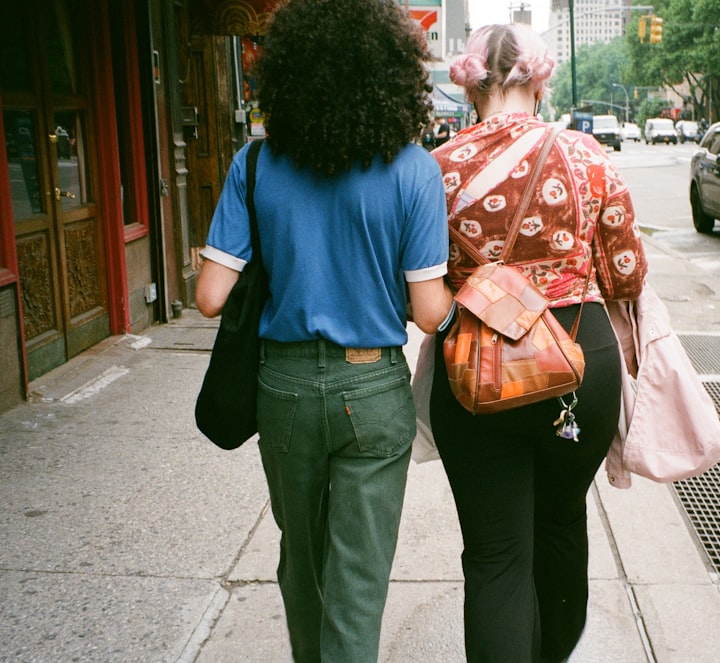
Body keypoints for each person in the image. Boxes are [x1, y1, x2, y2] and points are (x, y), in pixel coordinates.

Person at [194, 1, 453, 661]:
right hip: (372, 389)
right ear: (392, 75)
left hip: (282, 388)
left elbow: (209, 295)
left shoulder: (254, 166)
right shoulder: (416, 170)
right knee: (357, 581)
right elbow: (428, 312)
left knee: (301, 564)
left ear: (289, 73)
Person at [429, 23, 648, 663]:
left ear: (470, 85)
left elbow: (417, 283)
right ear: (539, 79)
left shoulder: (435, 170)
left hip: (476, 370)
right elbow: (627, 274)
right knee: (560, 524)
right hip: (579, 361)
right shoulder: (585, 157)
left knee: (496, 554)